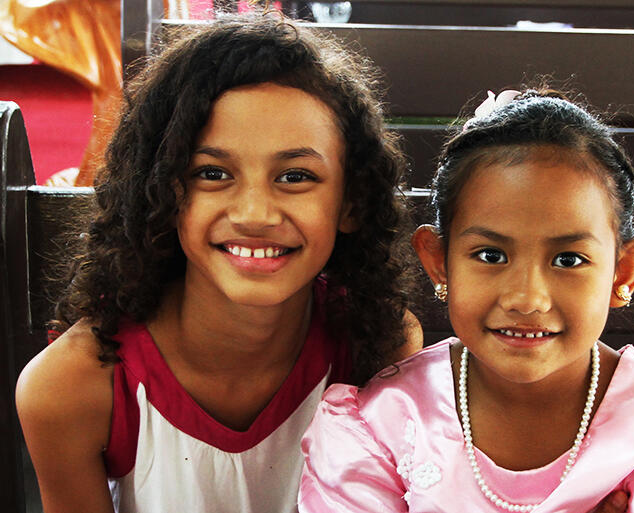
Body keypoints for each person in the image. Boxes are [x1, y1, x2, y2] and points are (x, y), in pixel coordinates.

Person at [14, 13, 423, 513]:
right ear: (162, 193)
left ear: (352, 203)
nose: (255, 214)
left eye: (295, 177)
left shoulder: (379, 347)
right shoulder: (76, 387)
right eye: (212, 173)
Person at [298, 89, 634, 512]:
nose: (527, 298)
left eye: (568, 260)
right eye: (490, 255)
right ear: (440, 262)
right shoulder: (386, 423)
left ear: (624, 272)